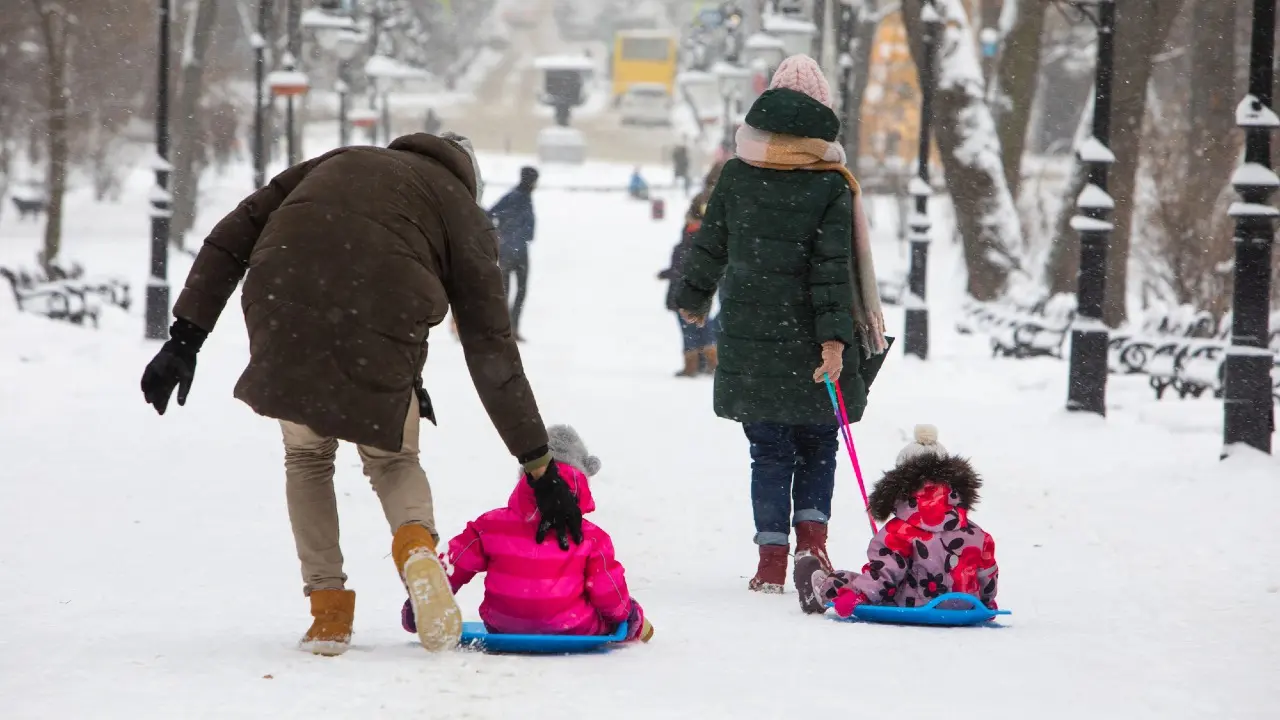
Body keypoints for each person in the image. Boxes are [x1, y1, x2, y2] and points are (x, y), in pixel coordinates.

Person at [139, 132, 586, 656]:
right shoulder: (463, 214)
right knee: (393, 460)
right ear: (470, 180)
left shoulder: (341, 160)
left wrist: (185, 338)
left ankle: (328, 612)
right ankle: (417, 551)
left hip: (285, 304)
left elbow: (233, 234)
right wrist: (539, 466)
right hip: (382, 321)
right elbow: (491, 350)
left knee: (307, 459)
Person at [674, 55, 891, 594]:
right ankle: (813, 547)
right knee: (818, 444)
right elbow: (831, 271)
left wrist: (694, 296)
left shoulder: (737, 173)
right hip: (813, 342)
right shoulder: (830, 184)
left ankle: (771, 559)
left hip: (751, 338)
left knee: (768, 450)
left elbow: (711, 242)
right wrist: (835, 341)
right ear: (822, 111)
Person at [402, 425, 655, 642]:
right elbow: (607, 590)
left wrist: (424, 605)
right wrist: (627, 614)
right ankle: (635, 624)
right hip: (572, 627)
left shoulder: (491, 525)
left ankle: (426, 603)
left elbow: (455, 562)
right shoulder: (591, 537)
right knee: (612, 615)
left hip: (503, 624)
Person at [794, 425, 999, 616]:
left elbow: (886, 571)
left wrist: (859, 595)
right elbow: (987, 573)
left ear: (902, 484)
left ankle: (822, 591)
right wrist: (986, 604)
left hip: (912, 604)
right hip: (965, 605)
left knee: (846, 580)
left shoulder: (899, 531)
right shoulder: (976, 534)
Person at [658, 163, 723, 376]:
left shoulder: (705, 202)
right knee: (705, 315)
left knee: (695, 317)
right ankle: (707, 357)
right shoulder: (725, 199)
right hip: (714, 262)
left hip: (702, 263)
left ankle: (702, 359)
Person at [488, 166, 538, 342]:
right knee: (514, 292)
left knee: (510, 291)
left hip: (513, 250)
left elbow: (491, 213)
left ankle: (509, 328)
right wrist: (502, 232)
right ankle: (508, 328)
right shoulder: (517, 197)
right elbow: (490, 213)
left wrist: (500, 232)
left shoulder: (518, 196)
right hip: (514, 251)